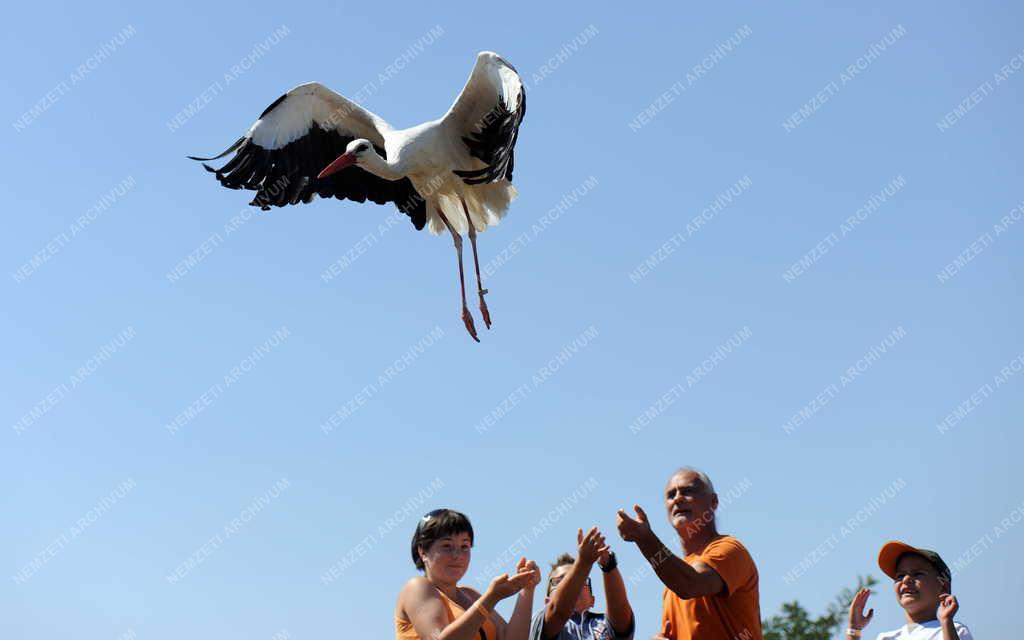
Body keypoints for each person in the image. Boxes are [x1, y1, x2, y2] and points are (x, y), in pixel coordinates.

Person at [616, 467, 762, 640]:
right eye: (671, 495)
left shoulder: (731, 550)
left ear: (713, 501)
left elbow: (689, 584)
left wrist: (644, 538)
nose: (677, 498)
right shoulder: (671, 582)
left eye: (688, 491)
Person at [395, 508, 541, 640]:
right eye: (447, 546)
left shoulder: (470, 595)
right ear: (423, 552)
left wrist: (527, 590)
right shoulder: (417, 588)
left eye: (464, 546)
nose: (457, 555)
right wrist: (490, 599)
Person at [846, 540, 973, 639]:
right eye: (900, 576)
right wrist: (854, 629)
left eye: (918, 574)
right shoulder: (886, 637)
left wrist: (946, 621)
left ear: (943, 587)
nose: (906, 580)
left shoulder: (953, 630)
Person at [530, 527, 635, 640]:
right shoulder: (538, 622)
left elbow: (621, 620)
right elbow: (558, 612)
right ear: (547, 602)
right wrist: (583, 563)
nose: (575, 585)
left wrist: (608, 564)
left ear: (592, 600)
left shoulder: (605, 623)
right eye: (560, 581)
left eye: (582, 580)